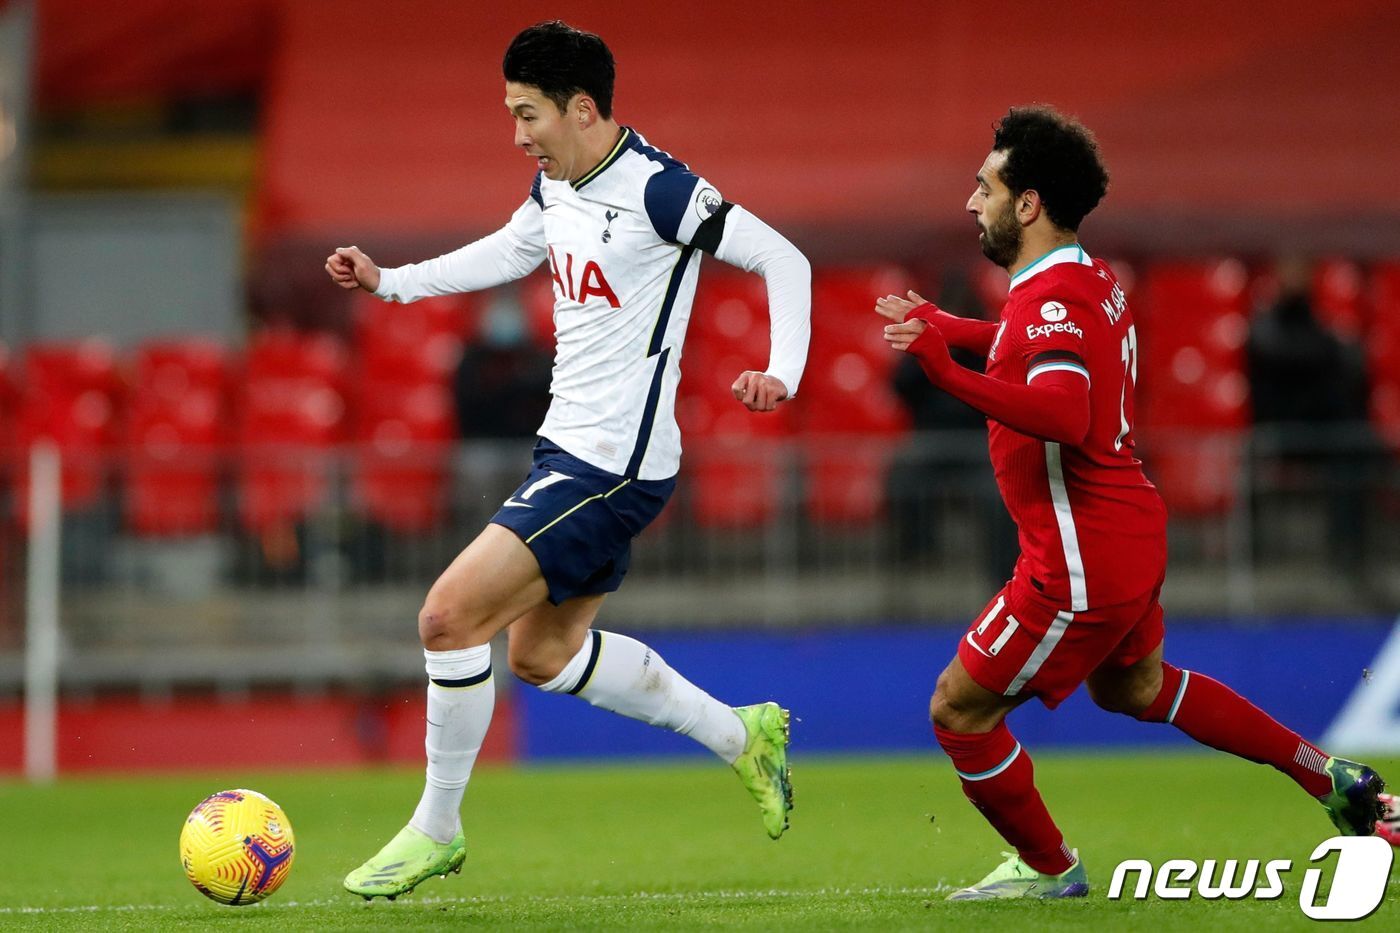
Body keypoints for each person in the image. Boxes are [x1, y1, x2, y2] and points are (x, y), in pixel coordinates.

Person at [325, 21, 808, 900]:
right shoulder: (558, 186)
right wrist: (390, 280)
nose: (516, 134)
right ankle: (744, 736)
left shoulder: (663, 192)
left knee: (444, 619)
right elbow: (511, 249)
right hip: (576, 451)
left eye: (527, 114)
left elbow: (784, 255)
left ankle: (436, 828)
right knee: (542, 655)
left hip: (611, 465)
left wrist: (784, 368)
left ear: (582, 109)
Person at [875, 105, 1387, 901]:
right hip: (1125, 532)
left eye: (985, 187)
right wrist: (948, 325)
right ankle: (1330, 775)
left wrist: (944, 370)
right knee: (1137, 687)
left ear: (1028, 203)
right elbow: (1027, 337)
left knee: (958, 707)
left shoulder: (1053, 301)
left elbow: (1064, 410)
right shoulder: (1082, 282)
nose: (971, 203)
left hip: (1077, 559)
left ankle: (1051, 869)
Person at [1245, 258, 1376, 572]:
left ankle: (1347, 556)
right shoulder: (1266, 325)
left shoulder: (1313, 319)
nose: (1296, 279)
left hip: (1320, 432)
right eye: (1289, 272)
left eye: (1301, 272)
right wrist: (1332, 347)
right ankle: (1258, 561)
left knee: (1355, 445)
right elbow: (1292, 354)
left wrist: (1334, 349)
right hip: (1280, 432)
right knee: (1346, 427)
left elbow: (1340, 357)